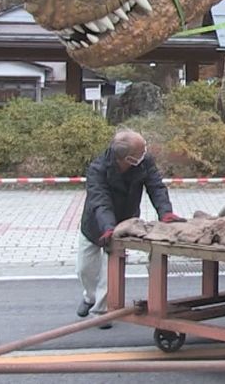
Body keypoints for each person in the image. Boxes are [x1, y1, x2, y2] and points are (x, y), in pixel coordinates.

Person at [78, 129, 185, 326]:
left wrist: (165, 213)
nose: (146, 152)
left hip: (126, 222)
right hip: (95, 223)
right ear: (128, 158)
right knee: (85, 269)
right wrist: (108, 227)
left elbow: (156, 187)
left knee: (110, 269)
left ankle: (101, 313)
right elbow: (100, 202)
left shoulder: (144, 162)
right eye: (142, 150)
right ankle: (90, 297)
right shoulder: (97, 169)